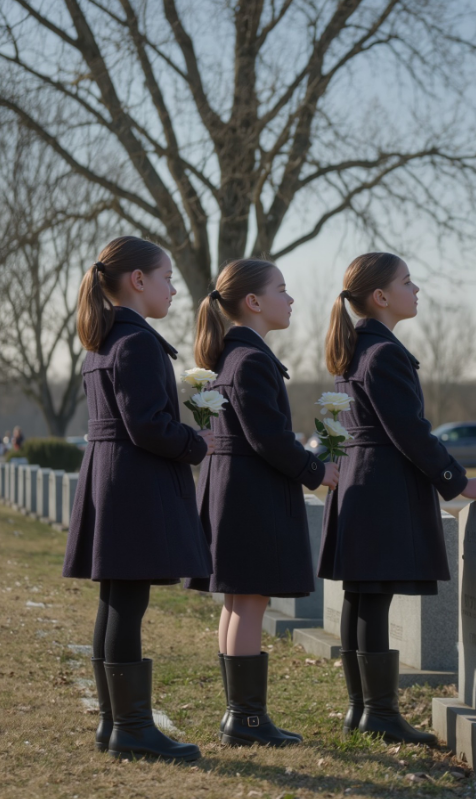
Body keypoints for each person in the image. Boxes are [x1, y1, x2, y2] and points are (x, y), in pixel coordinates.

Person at [320, 253, 476, 744]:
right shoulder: (383, 352)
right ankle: (377, 714)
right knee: (371, 599)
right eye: (407, 282)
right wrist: (456, 480)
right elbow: (410, 430)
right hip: (381, 488)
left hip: (360, 482)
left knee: (362, 597)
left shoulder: (356, 347)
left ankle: (362, 710)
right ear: (380, 296)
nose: (415, 290)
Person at [62, 236, 214, 761]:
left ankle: (115, 723)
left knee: (116, 600)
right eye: (166, 278)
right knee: (126, 603)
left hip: (111, 477)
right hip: (133, 481)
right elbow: (147, 425)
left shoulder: (103, 340)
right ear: (138, 280)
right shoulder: (137, 342)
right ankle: (129, 728)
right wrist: (197, 443)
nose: (173, 288)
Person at [187, 258, 339, 747]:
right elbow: (268, 438)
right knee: (249, 602)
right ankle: (247, 721)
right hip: (250, 494)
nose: (290, 299)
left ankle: (241, 716)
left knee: (239, 602)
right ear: (253, 302)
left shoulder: (233, 355)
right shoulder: (249, 360)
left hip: (234, 489)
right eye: (282, 290)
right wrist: (316, 471)